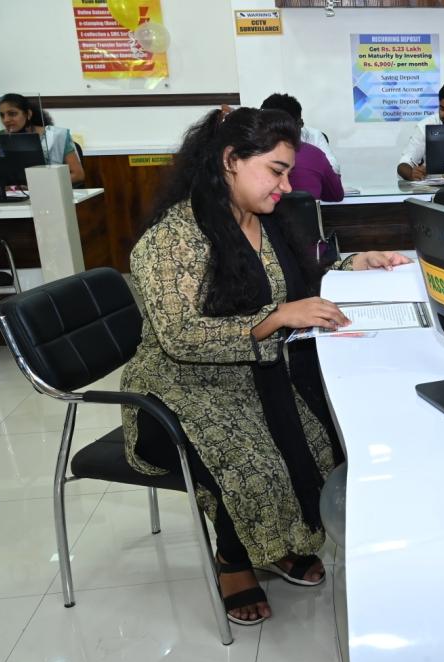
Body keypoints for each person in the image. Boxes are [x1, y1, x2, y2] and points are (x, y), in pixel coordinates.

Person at [120, 107, 409, 626]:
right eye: (276, 170)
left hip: (254, 370)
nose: (286, 185)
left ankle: (278, 544)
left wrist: (355, 263)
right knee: (255, 462)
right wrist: (274, 319)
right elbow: (181, 337)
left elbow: (304, 276)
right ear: (231, 160)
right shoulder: (173, 238)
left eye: (288, 172)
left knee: (324, 435)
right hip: (178, 387)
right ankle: (233, 561)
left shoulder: (267, 218)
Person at [260, 93, 343, 202]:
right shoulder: (314, 154)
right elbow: (336, 195)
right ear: (299, 123)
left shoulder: (250, 154)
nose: (286, 188)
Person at [0, 93, 85, 185]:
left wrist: (41, 185)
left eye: (12, 114)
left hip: (50, 190)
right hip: (13, 192)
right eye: (2, 115)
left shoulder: (57, 136)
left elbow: (78, 175)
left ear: (28, 114)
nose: (6, 120)